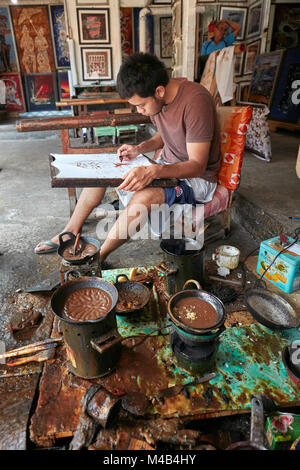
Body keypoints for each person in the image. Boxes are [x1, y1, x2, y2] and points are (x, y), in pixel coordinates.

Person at [35, 53, 221, 263]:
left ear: (159, 91)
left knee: (144, 197)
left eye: (141, 105)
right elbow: (166, 134)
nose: (140, 112)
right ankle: (69, 231)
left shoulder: (196, 101)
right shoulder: (159, 99)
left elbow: (197, 165)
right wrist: (140, 148)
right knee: (103, 171)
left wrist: (155, 171)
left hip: (199, 179)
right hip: (167, 165)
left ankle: (98, 257)